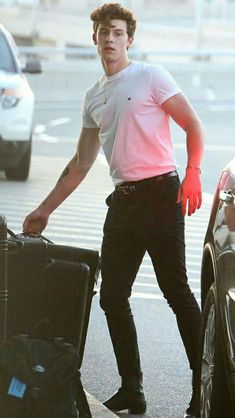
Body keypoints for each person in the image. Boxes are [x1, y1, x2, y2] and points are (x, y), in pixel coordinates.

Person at [23, 3, 204, 418]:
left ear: (129, 39)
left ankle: (201, 386)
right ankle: (132, 389)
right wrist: (44, 210)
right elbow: (81, 163)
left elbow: (193, 125)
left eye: (118, 32)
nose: (110, 38)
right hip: (123, 204)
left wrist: (193, 172)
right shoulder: (93, 96)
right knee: (111, 297)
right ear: (95, 38)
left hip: (162, 196)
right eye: (104, 31)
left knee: (176, 292)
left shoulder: (150, 77)